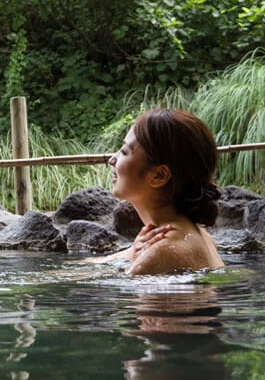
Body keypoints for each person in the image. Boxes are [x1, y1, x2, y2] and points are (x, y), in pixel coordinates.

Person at [93, 108, 224, 275]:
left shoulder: (162, 252)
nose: (112, 160)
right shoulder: (197, 235)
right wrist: (134, 254)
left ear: (159, 176)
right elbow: (90, 268)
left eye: (125, 152)